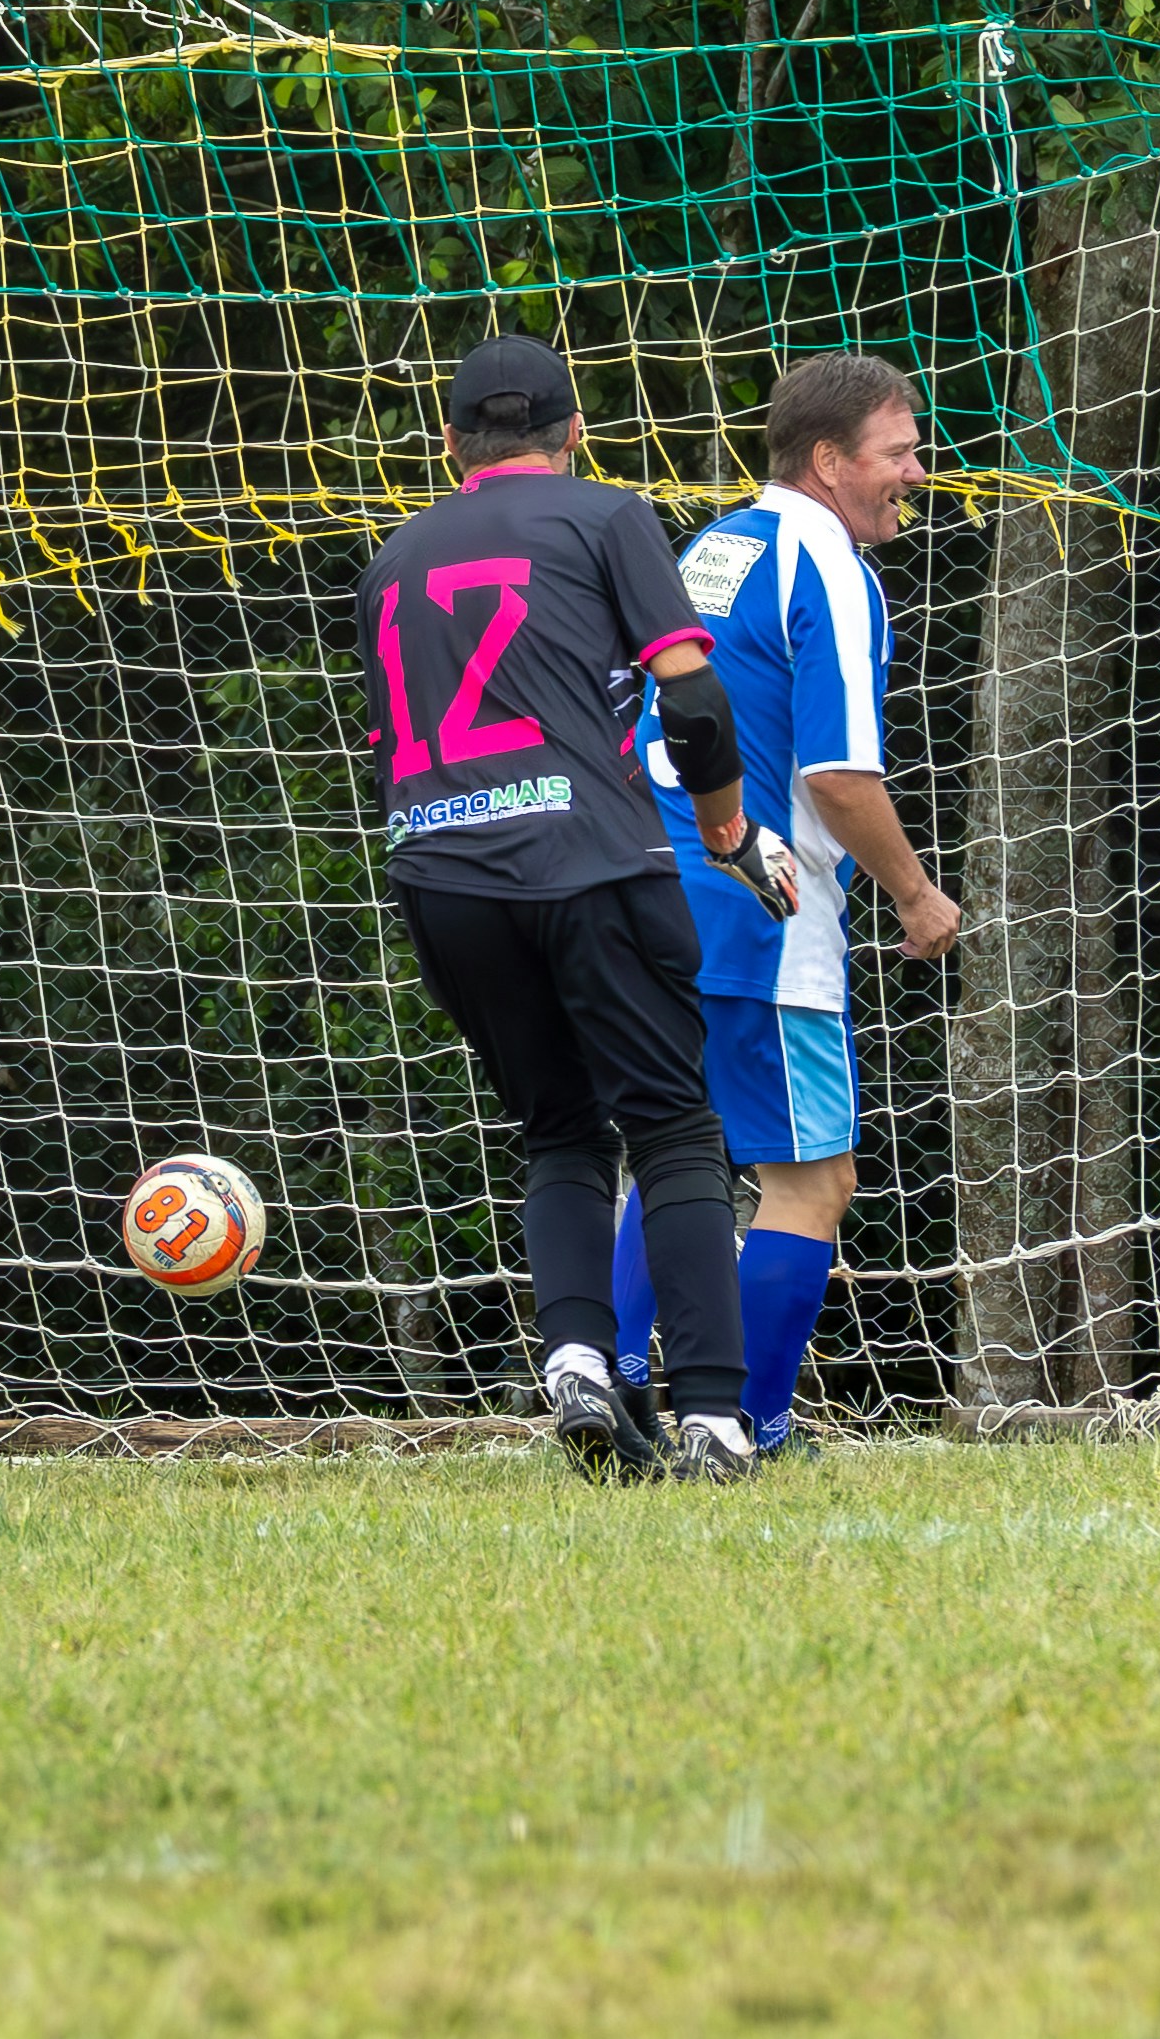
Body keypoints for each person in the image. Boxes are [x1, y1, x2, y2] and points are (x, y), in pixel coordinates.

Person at [358, 333, 800, 1483]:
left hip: (439, 873)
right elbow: (692, 700)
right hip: (589, 860)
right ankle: (711, 1410)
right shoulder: (605, 517)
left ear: (452, 442)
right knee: (673, 1128)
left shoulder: (391, 560)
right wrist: (724, 829)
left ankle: (578, 1356)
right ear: (574, 435)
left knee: (556, 1127)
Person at [612, 354, 968, 1455]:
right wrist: (916, 894)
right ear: (829, 459)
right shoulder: (832, 564)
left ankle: (622, 1389)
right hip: (763, 914)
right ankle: (751, 1426)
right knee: (814, 1178)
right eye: (900, 450)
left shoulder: (715, 543)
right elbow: (837, 777)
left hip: (651, 888)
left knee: (669, 1155)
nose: (918, 469)